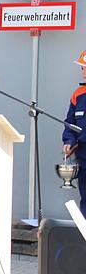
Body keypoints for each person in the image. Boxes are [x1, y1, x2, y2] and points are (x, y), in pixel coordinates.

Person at [62, 50, 86, 217]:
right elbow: (69, 123)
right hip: (83, 158)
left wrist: (80, 140)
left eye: (85, 67)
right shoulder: (78, 95)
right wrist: (69, 141)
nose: (82, 72)